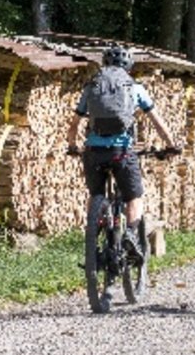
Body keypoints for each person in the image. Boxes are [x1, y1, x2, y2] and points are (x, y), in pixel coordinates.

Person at [62, 44, 182, 261]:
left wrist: (72, 146)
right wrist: (171, 145)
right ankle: (130, 234)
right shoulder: (135, 88)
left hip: (94, 151)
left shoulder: (92, 86)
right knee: (134, 197)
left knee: (96, 194)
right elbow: (158, 122)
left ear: (105, 64)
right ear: (128, 65)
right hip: (122, 151)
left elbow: (74, 123)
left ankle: (94, 228)